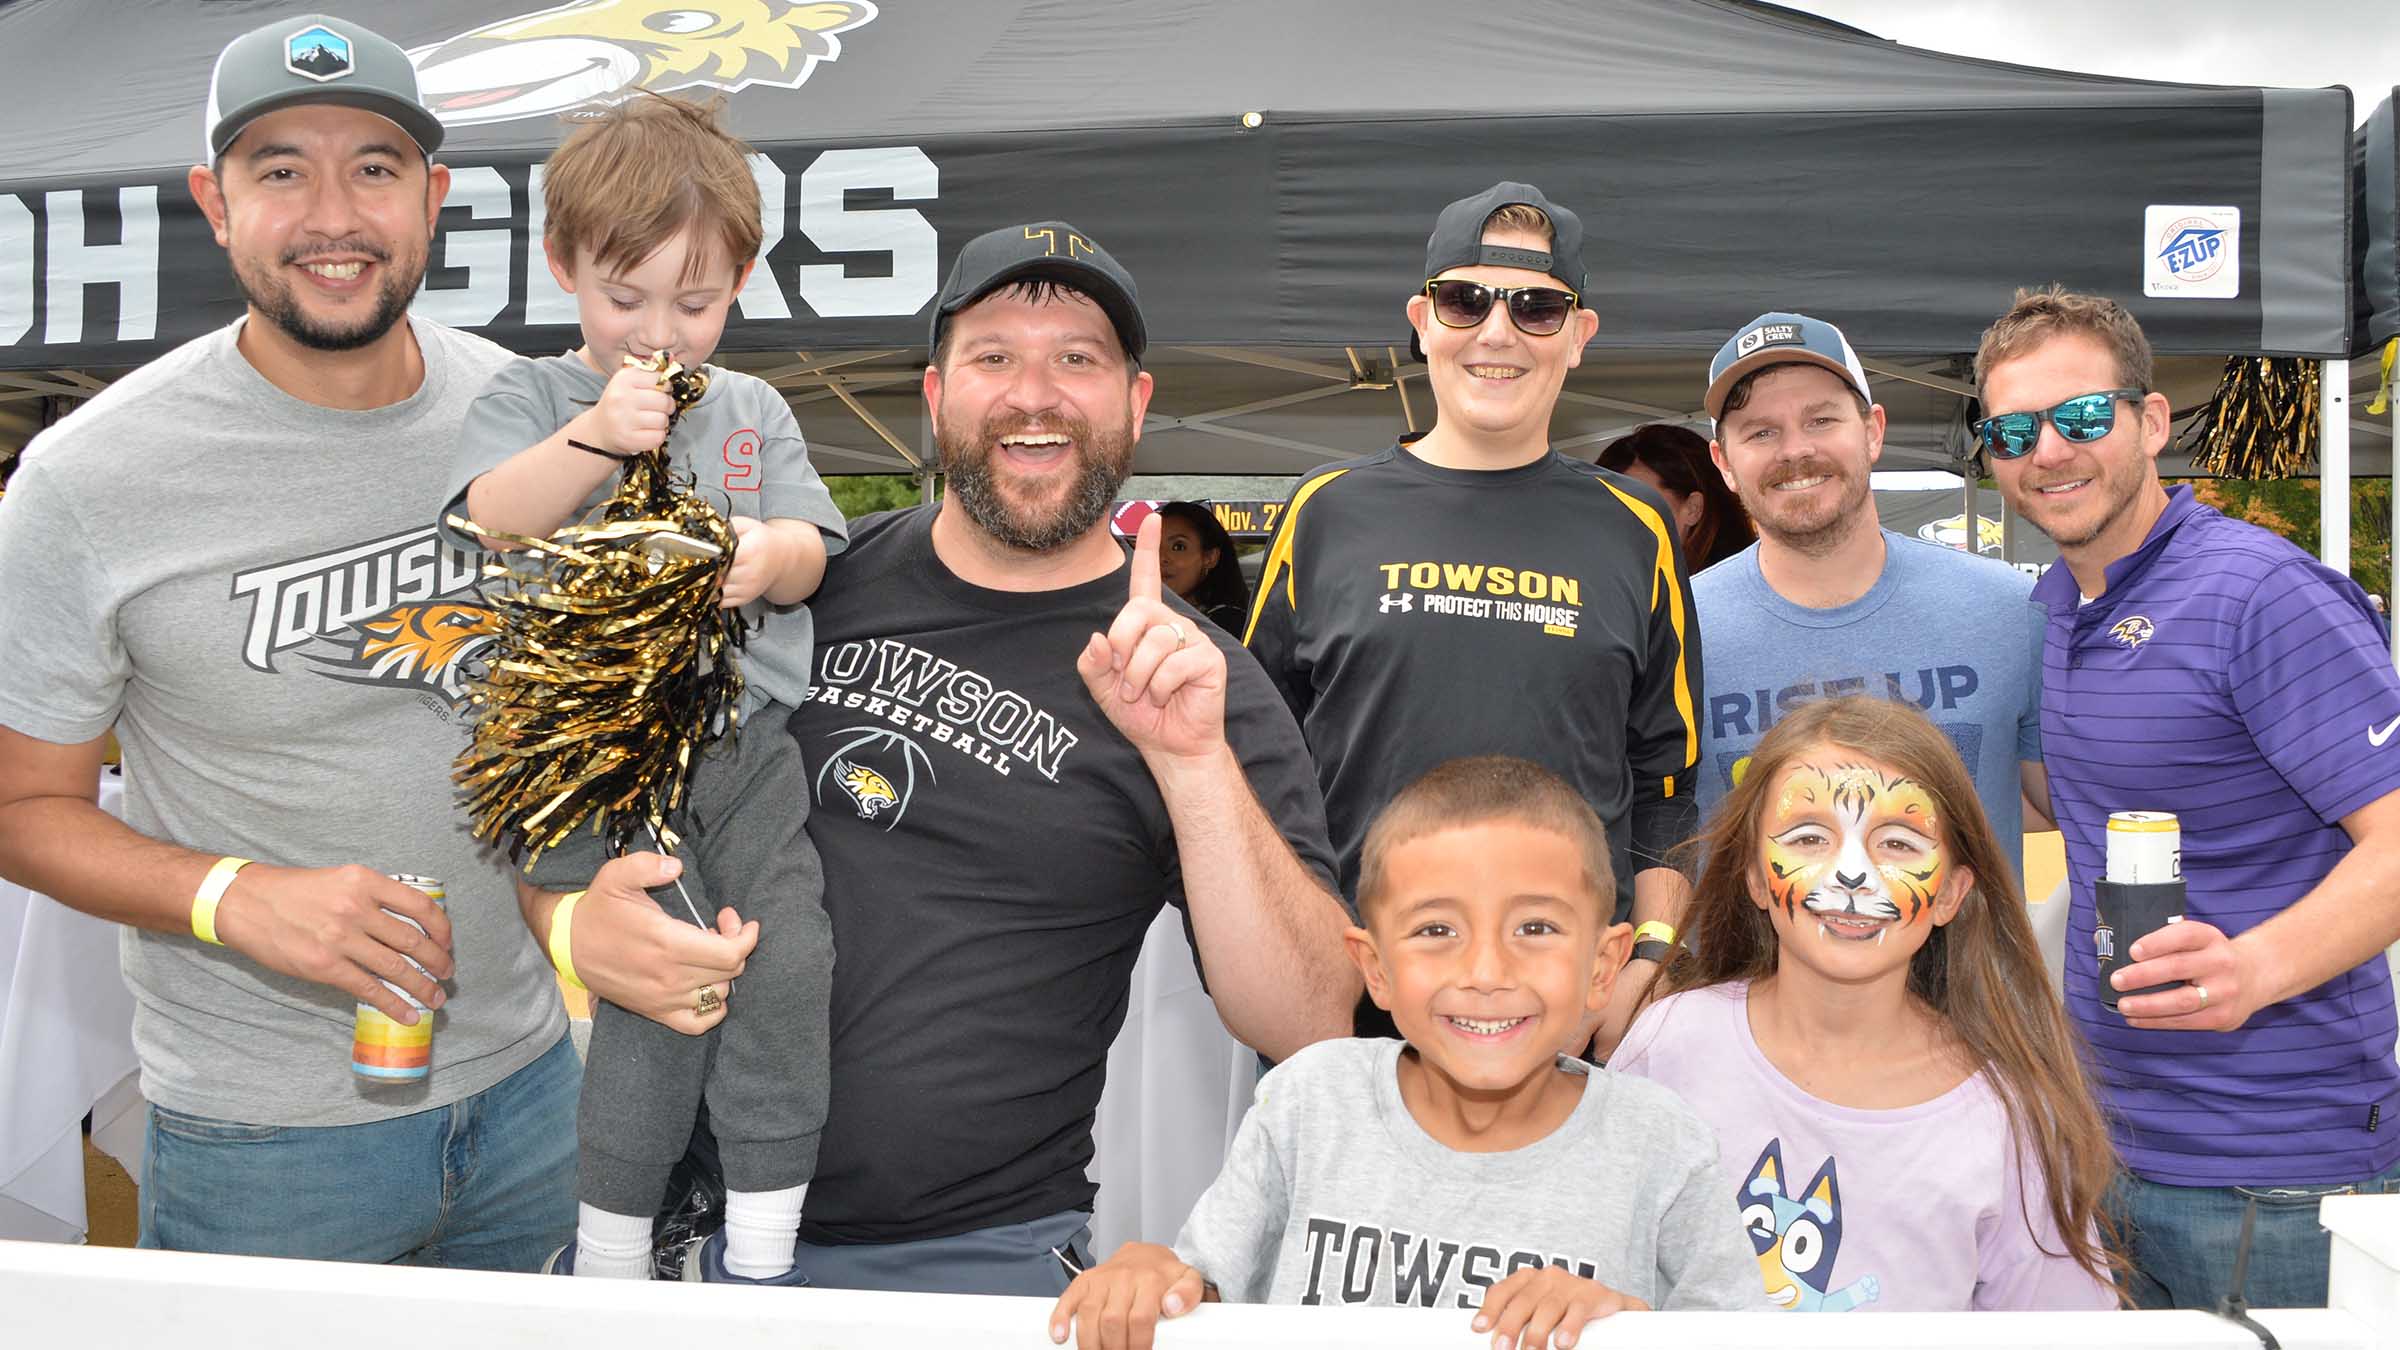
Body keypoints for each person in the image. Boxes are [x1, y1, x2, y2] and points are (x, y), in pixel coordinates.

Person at [532, 220, 1358, 1295]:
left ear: (1135, 403)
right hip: (679, 1231)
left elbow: (1309, 1018)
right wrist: (565, 927)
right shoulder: (808, 585)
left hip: (972, 1264)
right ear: (934, 393)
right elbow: (570, 785)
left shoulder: (1193, 676)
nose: (1035, 394)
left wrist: (1193, 763)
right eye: (994, 357)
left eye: (1077, 359)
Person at [0, 17, 576, 1266]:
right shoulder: (86, 477)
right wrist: (231, 898)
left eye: (374, 167)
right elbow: (22, 807)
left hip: (538, 1089)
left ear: (433, 199)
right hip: (263, 1139)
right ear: (215, 203)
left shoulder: (534, 422)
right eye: (280, 170)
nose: (335, 215)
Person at [438, 95, 842, 1284]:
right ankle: (613, 1239)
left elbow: (817, 544)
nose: (656, 329)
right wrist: (597, 442)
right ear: (563, 266)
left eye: (695, 300)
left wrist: (769, 557)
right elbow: (489, 521)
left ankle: (766, 1238)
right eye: (625, 298)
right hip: (607, 752)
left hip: (748, 738)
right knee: (662, 983)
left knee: (784, 955)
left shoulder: (752, 409)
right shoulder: (531, 401)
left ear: (742, 284)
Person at [1976, 286, 2400, 1310]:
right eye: (2013, 430)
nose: (2049, 452)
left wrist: (2254, 968)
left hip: (2277, 1173)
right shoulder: (2065, 605)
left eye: (2080, 418)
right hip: (2115, 1150)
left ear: (2152, 421)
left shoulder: (2259, 593)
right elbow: (2082, 796)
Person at [1048, 756, 1762, 1350]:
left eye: (1536, 927)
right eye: (1436, 931)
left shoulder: (1662, 1144)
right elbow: (1201, 1289)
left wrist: (1628, 1328)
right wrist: (1152, 1276)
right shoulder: (1310, 1100)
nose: (1486, 972)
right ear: (1375, 968)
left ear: (1604, 966)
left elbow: (1737, 1338)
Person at [1244, 182, 1701, 1043]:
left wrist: (1648, 956)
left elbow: (1668, 781)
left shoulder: (1636, 529)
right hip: (1357, 1006)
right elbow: (1257, 764)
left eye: (1536, 307)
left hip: (1559, 1014)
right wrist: (1301, 946)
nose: (1497, 332)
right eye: (1466, 300)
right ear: (1422, 320)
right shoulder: (1327, 509)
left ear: (1578, 336)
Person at [1613, 697, 2119, 1311]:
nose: (1852, 875)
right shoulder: (1669, 1043)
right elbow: (1598, 1262)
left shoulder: (2010, 1117)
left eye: (1899, 844)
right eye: (1809, 837)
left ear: (1952, 893)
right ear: (1753, 876)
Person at [1677, 312, 2047, 1023]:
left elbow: (2068, 799)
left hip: (1977, 1040)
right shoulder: (1676, 630)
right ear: (1723, 462)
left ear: (1873, 430)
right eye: (1760, 432)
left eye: (1821, 420)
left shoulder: (2009, 611)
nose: (1796, 451)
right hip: (1748, 1046)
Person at [1596, 423, 1754, 572]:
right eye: (1609, 507)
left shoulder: (1726, 591)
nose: (1619, 520)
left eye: (1636, 505)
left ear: (1693, 508)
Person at [1154, 501, 1249, 633]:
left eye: (1178, 547)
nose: (1161, 558)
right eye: (1155, 546)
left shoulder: (1229, 625)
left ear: (1210, 557)